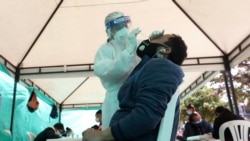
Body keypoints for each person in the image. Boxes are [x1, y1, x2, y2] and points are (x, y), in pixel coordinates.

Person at [82, 33, 188, 141]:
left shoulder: (161, 66)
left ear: (165, 50)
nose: (148, 41)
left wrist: (102, 136)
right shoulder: (151, 67)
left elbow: (146, 116)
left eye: (157, 38)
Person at [94, 11, 164, 130]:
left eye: (125, 26)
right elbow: (107, 72)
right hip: (116, 101)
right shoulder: (105, 50)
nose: (124, 29)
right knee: (117, 132)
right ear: (109, 31)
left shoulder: (135, 42)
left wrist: (155, 42)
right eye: (118, 27)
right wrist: (129, 50)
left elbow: (154, 60)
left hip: (139, 97)